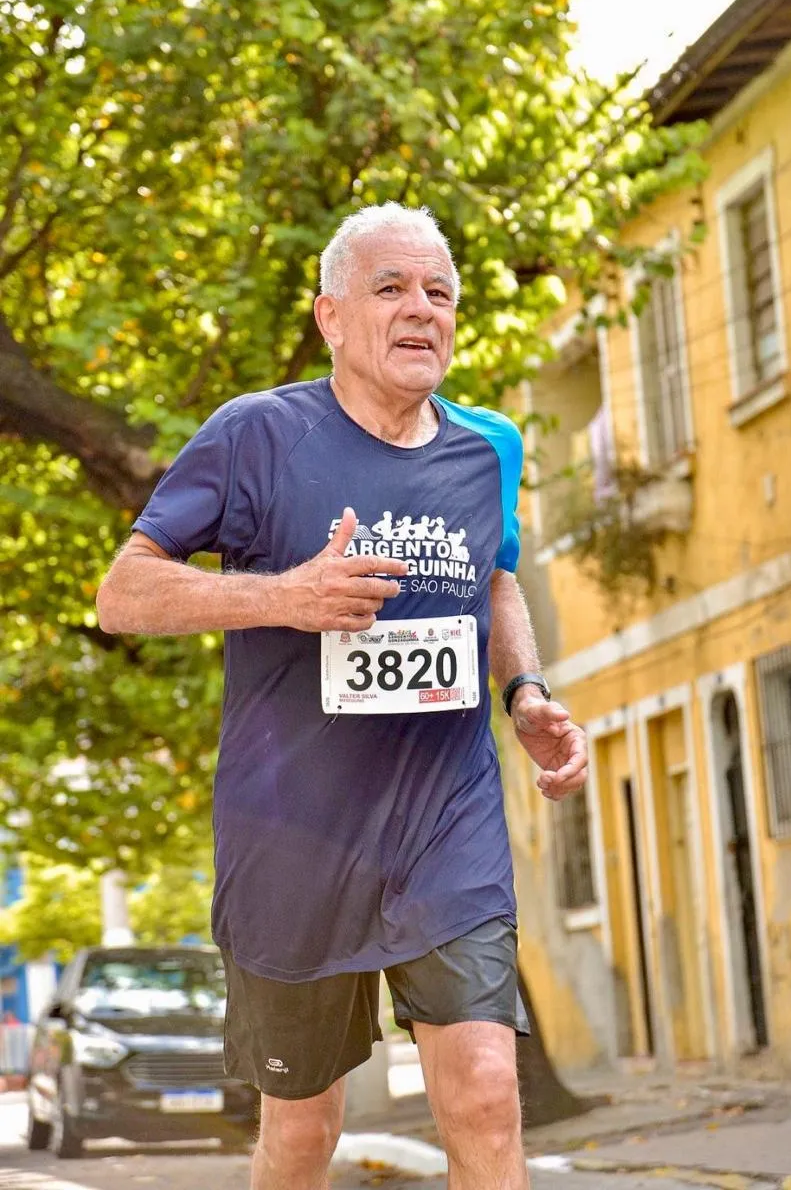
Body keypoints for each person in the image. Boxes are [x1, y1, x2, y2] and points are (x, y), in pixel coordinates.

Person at [96, 202, 588, 1190]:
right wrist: (284, 594)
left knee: (487, 1090)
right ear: (329, 316)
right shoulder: (253, 436)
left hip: (443, 825)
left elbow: (493, 577)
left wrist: (525, 690)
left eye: (439, 292)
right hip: (292, 839)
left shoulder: (486, 446)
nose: (421, 310)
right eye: (391, 288)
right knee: (303, 1126)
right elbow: (123, 592)